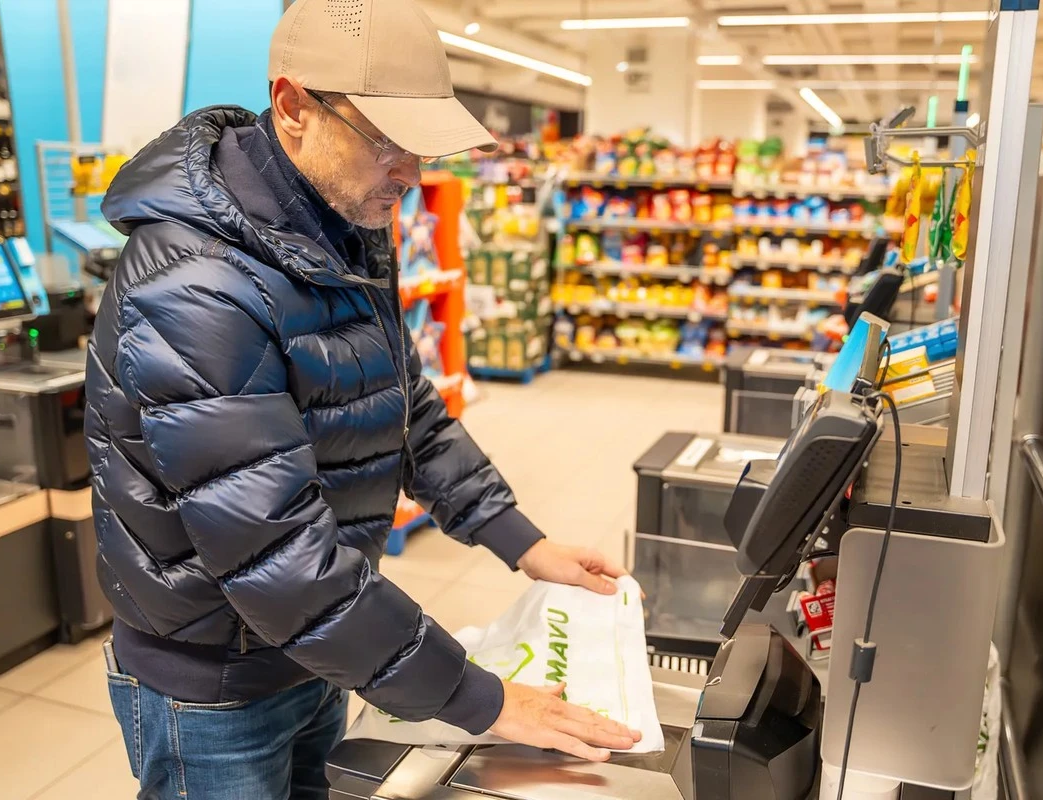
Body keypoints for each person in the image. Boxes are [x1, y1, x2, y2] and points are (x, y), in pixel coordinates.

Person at [86, 1, 639, 797]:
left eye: (423, 148)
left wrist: (519, 540)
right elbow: (278, 557)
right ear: (293, 107)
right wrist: (477, 700)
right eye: (389, 143)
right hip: (215, 689)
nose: (412, 176)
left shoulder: (341, 222)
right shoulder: (194, 283)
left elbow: (401, 404)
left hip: (322, 650)